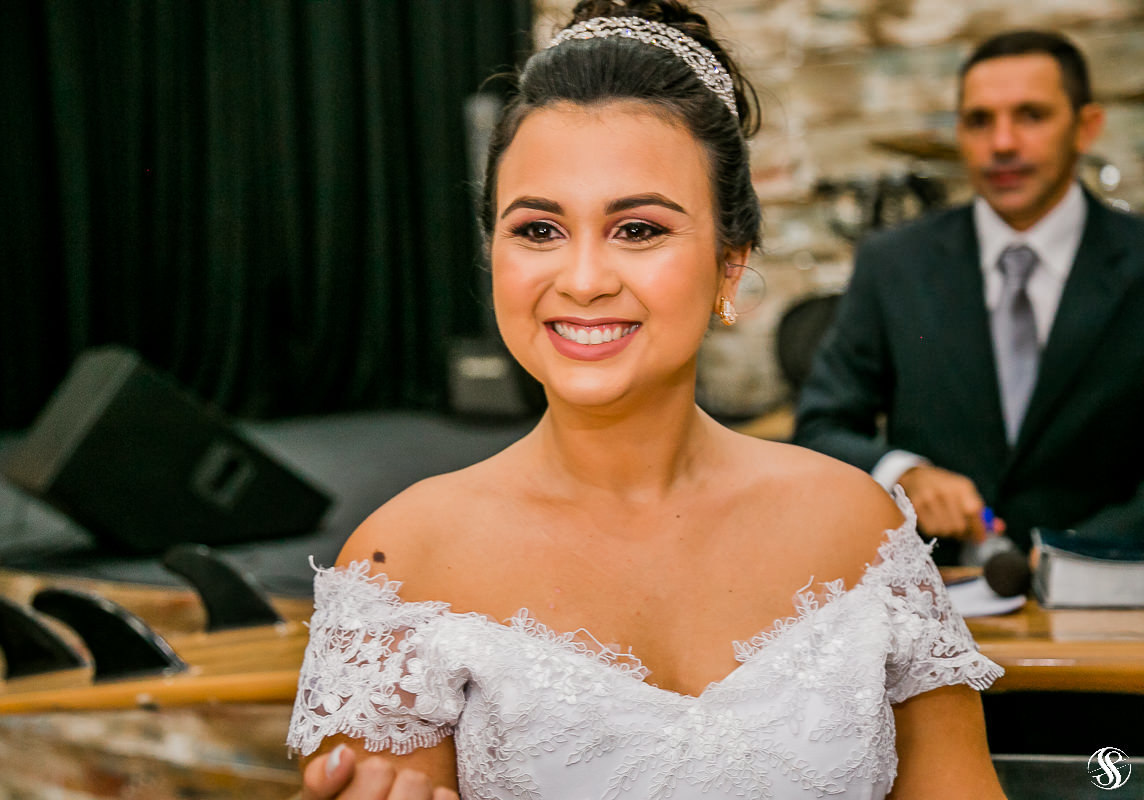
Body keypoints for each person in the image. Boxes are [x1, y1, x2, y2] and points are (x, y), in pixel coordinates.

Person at [287, 2, 1007, 797]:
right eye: (537, 230)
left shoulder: (861, 532)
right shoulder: (403, 564)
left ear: (730, 266)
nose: (585, 278)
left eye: (637, 230)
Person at [794, 30, 1144, 563]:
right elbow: (821, 429)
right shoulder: (893, 263)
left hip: (1110, 600)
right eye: (980, 121)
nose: (1002, 142)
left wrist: (1078, 553)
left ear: (1086, 127)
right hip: (936, 601)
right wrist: (901, 472)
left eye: (1030, 115)